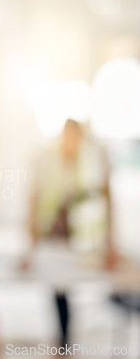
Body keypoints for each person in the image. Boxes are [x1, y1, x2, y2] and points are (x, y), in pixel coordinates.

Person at [26, 118, 118, 349]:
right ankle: (64, 341)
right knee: (58, 288)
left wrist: (111, 243)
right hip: (53, 236)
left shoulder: (94, 160)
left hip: (84, 239)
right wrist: (30, 241)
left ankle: (67, 341)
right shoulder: (47, 160)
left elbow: (108, 200)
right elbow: (35, 197)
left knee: (80, 286)